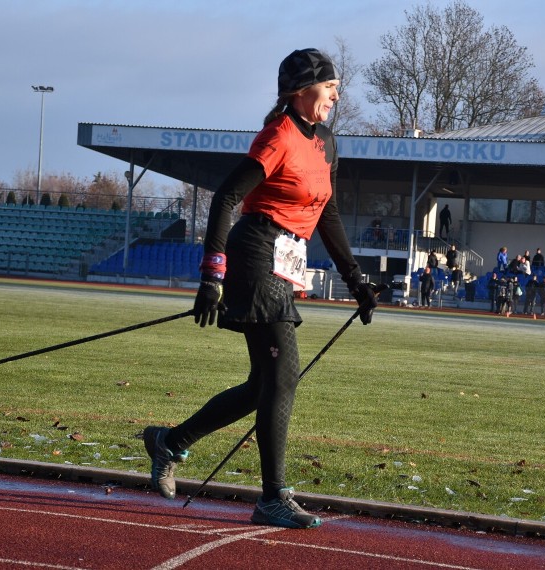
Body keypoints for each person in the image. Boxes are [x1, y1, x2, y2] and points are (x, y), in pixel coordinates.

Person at [141, 48, 378, 530]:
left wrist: (357, 281)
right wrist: (212, 273)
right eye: (329, 85)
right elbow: (227, 196)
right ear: (301, 91)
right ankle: (273, 496)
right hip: (255, 251)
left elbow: (326, 213)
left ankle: (171, 441)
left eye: (335, 86)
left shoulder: (328, 143)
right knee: (284, 375)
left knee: (264, 384)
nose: (336, 93)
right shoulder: (278, 136)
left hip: (286, 262)